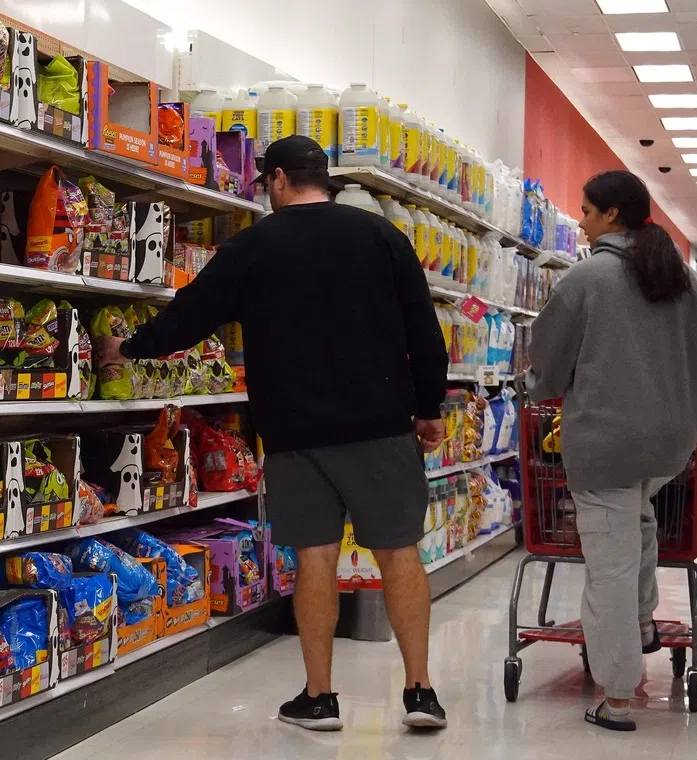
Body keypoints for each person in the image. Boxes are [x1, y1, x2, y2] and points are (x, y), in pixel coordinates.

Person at [96, 134, 450, 732]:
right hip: (380, 427)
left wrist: (125, 348)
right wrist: (429, 407)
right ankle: (420, 692)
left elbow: (189, 316)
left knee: (315, 558)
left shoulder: (253, 247)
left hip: (294, 432)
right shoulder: (383, 238)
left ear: (279, 179)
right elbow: (424, 328)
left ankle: (320, 697)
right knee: (398, 555)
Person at [527, 169, 697, 732]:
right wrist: (685, 400)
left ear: (612, 216)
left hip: (606, 446)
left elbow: (547, 366)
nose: (581, 219)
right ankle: (644, 625)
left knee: (609, 571)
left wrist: (540, 389)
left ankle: (617, 697)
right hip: (669, 449)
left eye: (587, 210)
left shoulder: (587, 278)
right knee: (637, 523)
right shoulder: (681, 277)